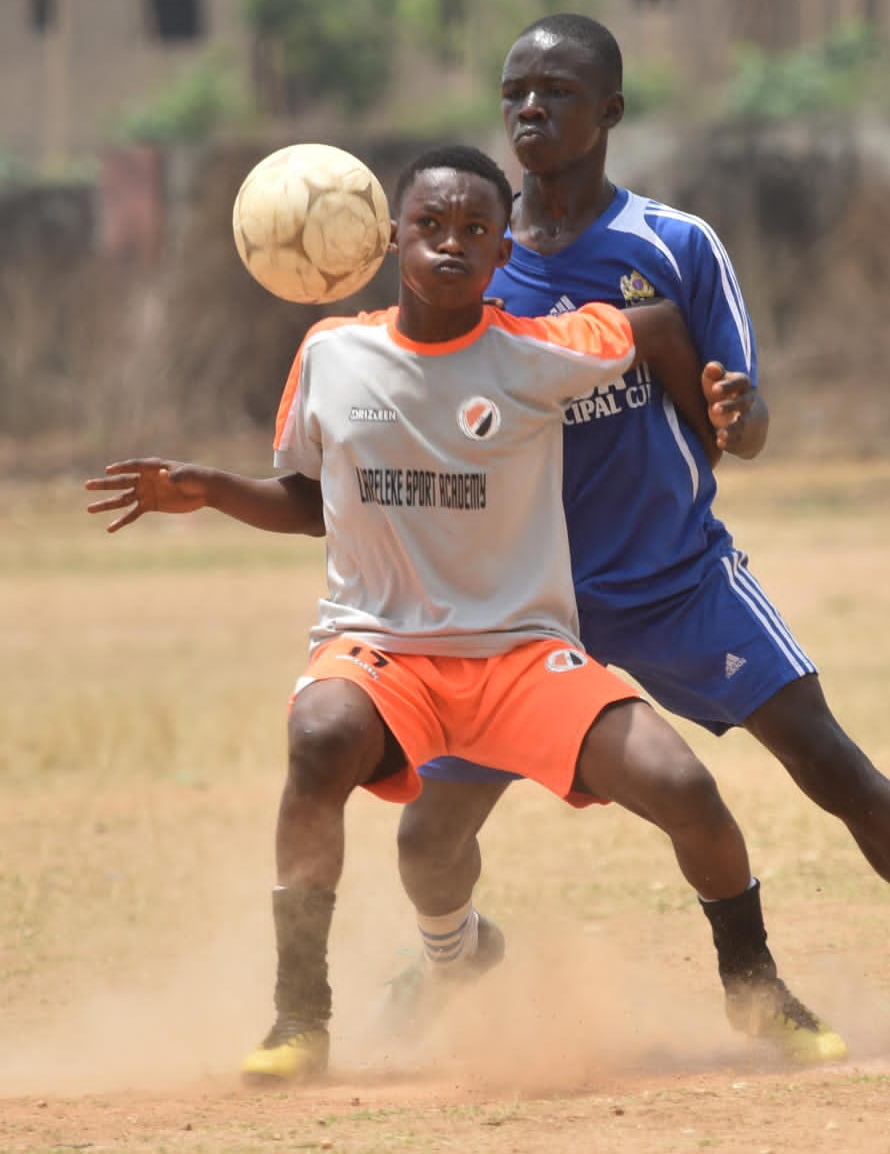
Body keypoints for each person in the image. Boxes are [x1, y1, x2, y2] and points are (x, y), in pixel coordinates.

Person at [85, 144, 845, 1086]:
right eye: (432, 226)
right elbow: (310, 500)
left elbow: (650, 324)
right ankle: (299, 1020)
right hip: (380, 653)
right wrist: (208, 489)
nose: (451, 244)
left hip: (522, 655)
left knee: (683, 787)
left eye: (476, 232)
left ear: (502, 257)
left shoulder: (535, 350)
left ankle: (757, 987)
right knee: (319, 735)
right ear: (390, 238)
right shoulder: (330, 353)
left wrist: (711, 419)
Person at [389, 15, 890, 1053]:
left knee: (833, 765)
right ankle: (454, 955)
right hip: (527, 601)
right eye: (514, 91)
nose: (530, 108)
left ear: (609, 111)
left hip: (674, 578)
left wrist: (730, 406)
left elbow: (744, 429)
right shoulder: (472, 257)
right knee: (430, 830)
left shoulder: (672, 246)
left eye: (557, 91)